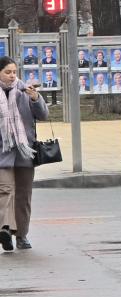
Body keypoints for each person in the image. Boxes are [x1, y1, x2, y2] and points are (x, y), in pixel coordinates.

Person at [0, 57, 49, 251]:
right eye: (7, 72)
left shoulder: (24, 90)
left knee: (23, 196)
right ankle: (5, 229)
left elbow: (43, 115)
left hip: (24, 151)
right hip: (2, 152)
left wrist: (35, 98)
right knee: (5, 191)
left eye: (14, 72)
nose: (12, 76)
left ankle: (21, 235)